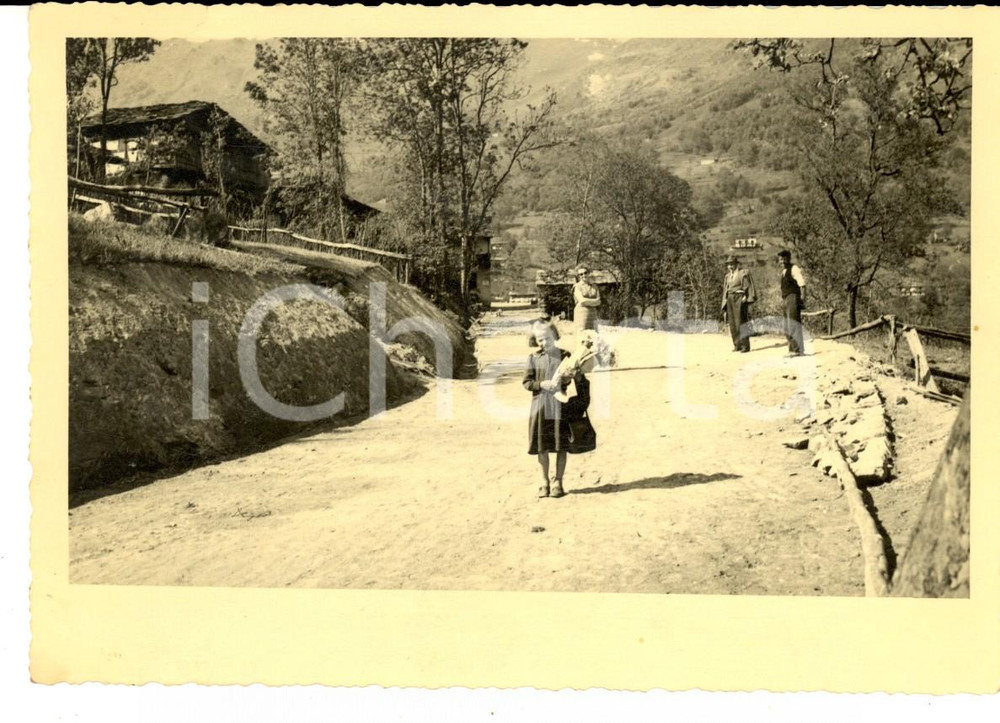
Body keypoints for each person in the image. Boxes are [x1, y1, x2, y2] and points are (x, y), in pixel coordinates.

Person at [523, 319, 593, 499]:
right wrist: (541, 384)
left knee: (560, 446)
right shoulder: (533, 358)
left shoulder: (565, 356)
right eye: (539, 340)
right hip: (539, 407)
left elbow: (574, 376)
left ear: (555, 335)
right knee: (542, 447)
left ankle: (558, 482)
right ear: (535, 341)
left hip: (559, 406)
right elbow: (527, 382)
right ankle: (544, 481)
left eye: (547, 338)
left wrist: (571, 376)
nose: (544, 343)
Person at [720, 254, 757, 353]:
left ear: (736, 264)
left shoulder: (743, 273)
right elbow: (726, 290)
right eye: (728, 265)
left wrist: (746, 296)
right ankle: (737, 345)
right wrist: (725, 302)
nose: (730, 267)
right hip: (730, 299)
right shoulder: (727, 276)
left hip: (739, 298)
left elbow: (747, 286)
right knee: (732, 323)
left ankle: (745, 346)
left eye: (732, 264)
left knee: (741, 322)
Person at [777, 250, 807, 356]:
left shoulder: (794, 269)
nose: (783, 261)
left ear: (789, 259)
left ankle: (797, 349)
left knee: (793, 323)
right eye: (781, 259)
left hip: (793, 297)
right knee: (786, 325)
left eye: (785, 259)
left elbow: (802, 283)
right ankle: (792, 348)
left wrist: (802, 298)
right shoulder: (783, 271)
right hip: (785, 298)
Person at [572, 266, 601, 331]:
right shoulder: (577, 287)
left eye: (585, 273)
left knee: (594, 336)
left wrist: (586, 301)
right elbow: (582, 301)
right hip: (581, 315)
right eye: (581, 274)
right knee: (582, 336)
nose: (583, 275)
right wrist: (594, 302)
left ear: (588, 273)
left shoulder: (594, 286)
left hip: (593, 315)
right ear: (579, 276)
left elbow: (599, 301)